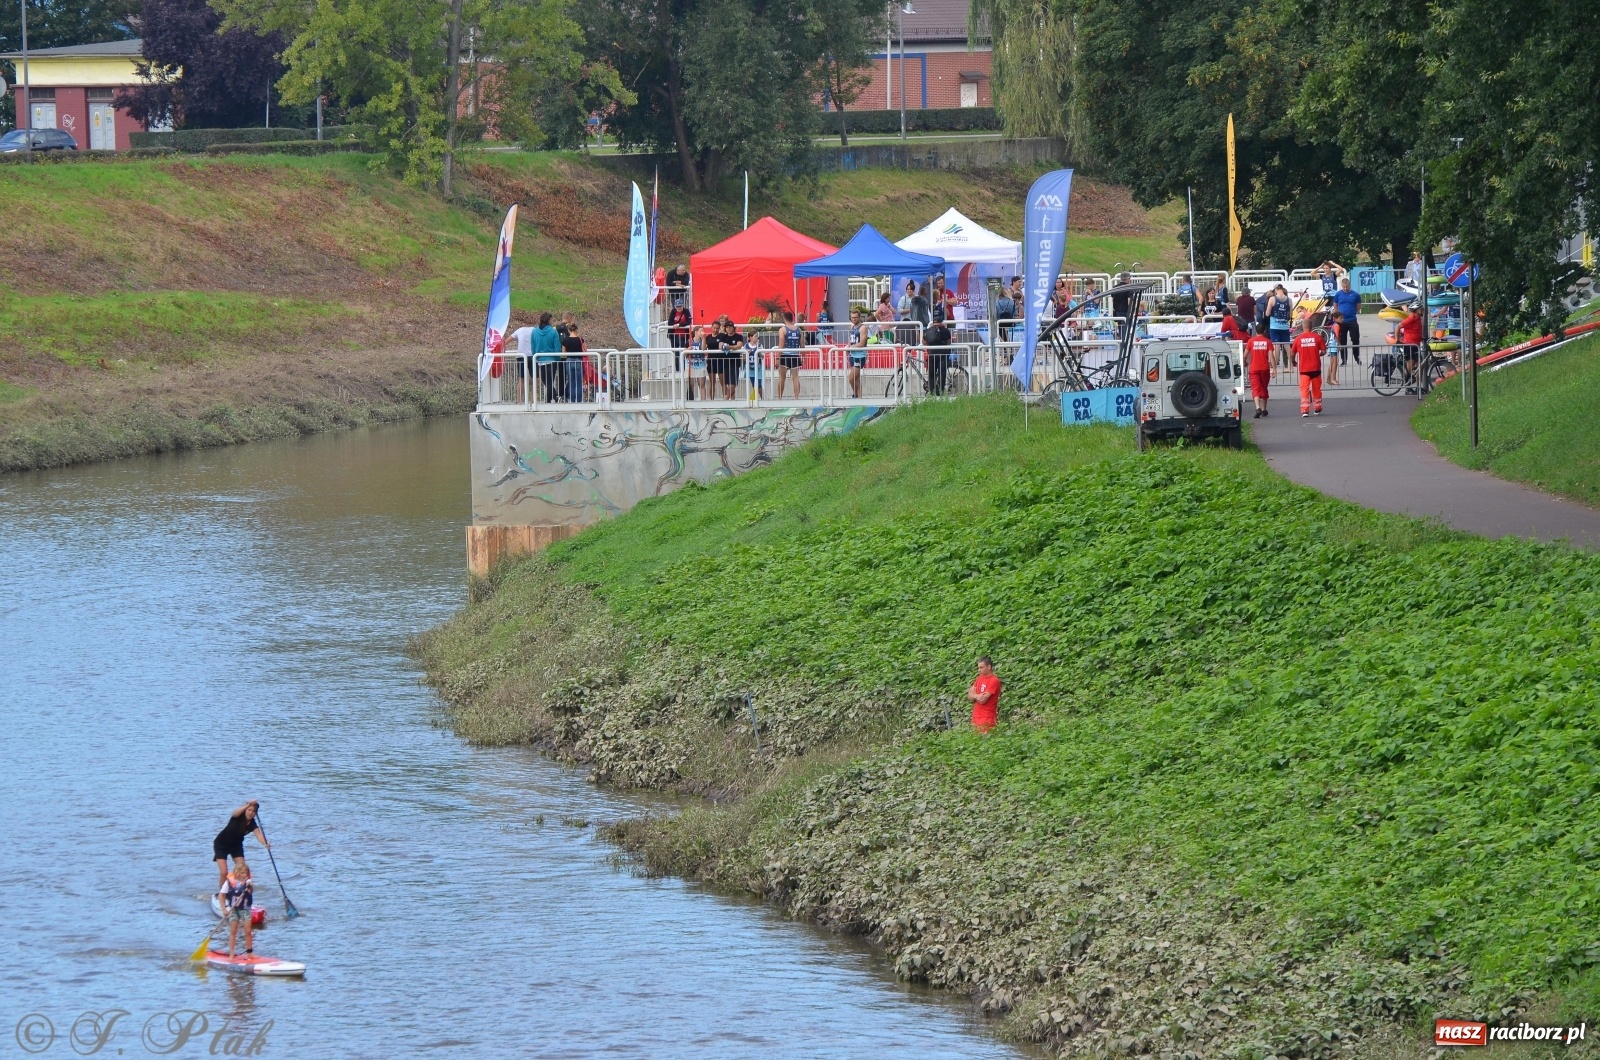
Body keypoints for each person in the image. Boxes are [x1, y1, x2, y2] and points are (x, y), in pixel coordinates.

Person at [213, 801, 266, 891]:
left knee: (243, 869)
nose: (250, 813)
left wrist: (266, 843)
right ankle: (222, 893)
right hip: (221, 844)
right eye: (249, 810)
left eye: (253, 811)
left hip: (236, 845)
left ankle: (243, 890)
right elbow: (234, 813)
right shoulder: (238, 816)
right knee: (224, 872)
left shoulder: (252, 824)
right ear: (245, 809)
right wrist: (248, 804)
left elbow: (259, 836)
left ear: (255, 813)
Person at [1292, 318, 1327, 417]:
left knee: (1304, 389)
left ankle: (1305, 410)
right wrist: (1319, 354)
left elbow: (1292, 353)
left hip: (1304, 368)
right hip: (1315, 367)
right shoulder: (1317, 337)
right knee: (1317, 389)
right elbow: (1324, 351)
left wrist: (1293, 361)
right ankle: (1317, 408)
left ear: (1303, 327)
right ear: (1311, 327)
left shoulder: (1298, 339)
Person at [219, 869, 254, 957]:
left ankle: (250, 953)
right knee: (233, 931)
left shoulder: (248, 882)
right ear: (237, 873)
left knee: (248, 931)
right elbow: (221, 895)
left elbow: (250, 892)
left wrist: (249, 887)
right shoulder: (228, 882)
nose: (245, 875)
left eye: (246, 873)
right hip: (234, 909)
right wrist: (224, 909)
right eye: (242, 872)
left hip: (245, 909)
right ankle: (231, 953)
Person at [1245, 324, 1276, 419]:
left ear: (1256, 331)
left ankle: (1257, 407)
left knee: (1255, 388)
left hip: (1253, 368)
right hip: (1264, 368)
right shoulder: (1267, 342)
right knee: (1264, 388)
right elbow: (1271, 356)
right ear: (1264, 331)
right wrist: (1274, 368)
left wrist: (1244, 362)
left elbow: (1245, 354)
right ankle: (1264, 409)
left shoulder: (1251, 341)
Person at [531, 312, 563, 403]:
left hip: (540, 360)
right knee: (549, 382)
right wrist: (558, 359)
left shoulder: (534, 332)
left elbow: (533, 347)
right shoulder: (553, 332)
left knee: (546, 381)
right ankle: (555, 397)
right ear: (548, 320)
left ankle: (549, 400)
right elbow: (557, 347)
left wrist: (535, 357)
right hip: (552, 360)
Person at [1332, 277, 1362, 368]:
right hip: (1342, 322)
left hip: (1352, 320)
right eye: (1344, 287)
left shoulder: (1355, 295)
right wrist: (1338, 316)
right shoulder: (1338, 294)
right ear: (1342, 286)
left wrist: (1352, 312)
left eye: (1347, 286)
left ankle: (1356, 357)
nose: (1345, 288)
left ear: (1349, 285)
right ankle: (1344, 359)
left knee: (1355, 339)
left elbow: (1358, 306)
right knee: (1342, 340)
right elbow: (1335, 305)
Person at [775, 311, 804, 400]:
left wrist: (777, 358)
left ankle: (780, 398)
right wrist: (803, 357)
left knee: (782, 377)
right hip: (795, 355)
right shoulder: (799, 330)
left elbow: (781, 344)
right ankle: (796, 398)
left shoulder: (782, 330)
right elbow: (802, 345)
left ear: (784, 319)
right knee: (795, 378)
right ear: (792, 318)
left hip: (785, 356)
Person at [967, 656, 1001, 733]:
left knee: (986, 739)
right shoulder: (979, 678)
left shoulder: (994, 680)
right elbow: (969, 696)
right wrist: (976, 696)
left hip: (987, 717)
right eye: (978, 668)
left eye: (981, 667)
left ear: (989, 667)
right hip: (976, 716)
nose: (979, 670)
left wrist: (974, 695)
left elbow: (982, 700)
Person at [1264, 285, 1294, 369]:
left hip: (1274, 327)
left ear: (1276, 290)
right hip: (1285, 327)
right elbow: (1290, 315)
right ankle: (1291, 367)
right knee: (1287, 346)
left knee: (1276, 346)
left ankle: (1275, 368)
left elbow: (1267, 313)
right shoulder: (1289, 300)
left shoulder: (1272, 299)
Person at [1395, 305, 1424, 392]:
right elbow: (1398, 327)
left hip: (1416, 345)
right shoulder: (1411, 318)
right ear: (1416, 310)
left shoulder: (1418, 318)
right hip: (1409, 345)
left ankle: (1418, 387)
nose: (1423, 310)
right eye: (1421, 309)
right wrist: (1397, 340)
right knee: (1410, 365)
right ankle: (1408, 387)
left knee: (1421, 365)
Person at [846, 309, 872, 398]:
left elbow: (862, 343)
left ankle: (855, 393)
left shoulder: (863, 328)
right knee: (856, 379)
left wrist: (851, 347)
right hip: (853, 355)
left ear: (859, 317)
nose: (853, 319)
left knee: (851, 378)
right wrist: (848, 347)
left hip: (860, 356)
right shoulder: (852, 327)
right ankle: (859, 397)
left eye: (855, 317)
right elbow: (851, 340)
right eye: (852, 317)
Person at [925, 315, 953, 396]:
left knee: (931, 373)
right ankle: (941, 391)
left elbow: (923, 342)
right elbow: (949, 342)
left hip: (932, 354)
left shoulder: (928, 331)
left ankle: (932, 391)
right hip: (943, 354)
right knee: (942, 373)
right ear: (941, 323)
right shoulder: (945, 331)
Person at [561, 323, 587, 401]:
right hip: (578, 361)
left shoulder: (565, 340)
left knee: (571, 382)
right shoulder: (580, 339)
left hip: (569, 361)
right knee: (579, 383)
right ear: (576, 330)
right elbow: (585, 351)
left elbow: (563, 353)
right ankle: (579, 401)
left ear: (569, 330)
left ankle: (572, 401)